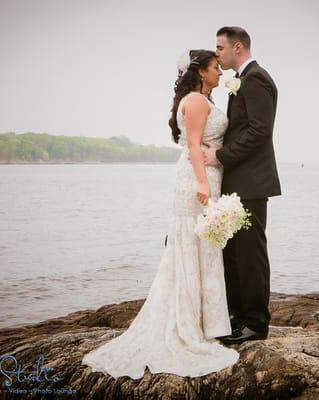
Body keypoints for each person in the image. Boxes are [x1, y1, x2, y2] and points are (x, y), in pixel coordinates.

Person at [81, 49, 239, 379]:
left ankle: (202, 322)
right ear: (201, 73)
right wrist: (201, 182)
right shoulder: (195, 101)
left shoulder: (201, 98)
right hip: (197, 180)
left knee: (203, 247)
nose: (219, 72)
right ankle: (190, 326)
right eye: (214, 68)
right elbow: (194, 144)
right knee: (191, 246)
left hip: (207, 175)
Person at [202, 26, 282, 344]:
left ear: (238, 47)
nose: (217, 53)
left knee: (251, 256)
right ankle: (237, 318)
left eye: (220, 47)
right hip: (237, 183)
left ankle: (256, 324)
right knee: (233, 254)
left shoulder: (257, 78)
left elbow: (260, 131)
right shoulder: (242, 81)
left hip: (252, 183)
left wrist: (220, 156)